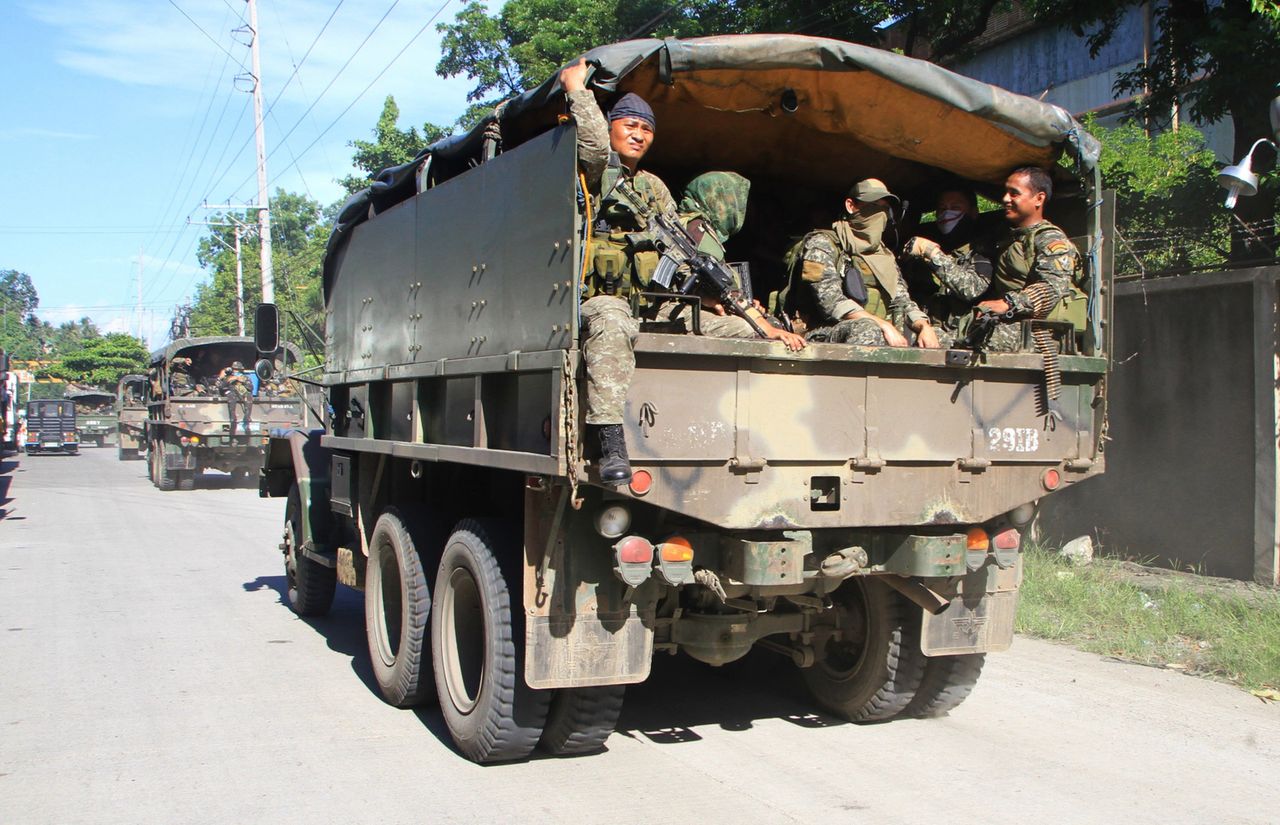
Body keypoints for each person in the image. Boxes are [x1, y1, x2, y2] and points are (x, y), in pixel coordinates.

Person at [560, 57, 676, 484]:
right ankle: (610, 441)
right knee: (611, 319)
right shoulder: (594, 174)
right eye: (629, 125)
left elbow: (677, 245)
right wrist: (578, 91)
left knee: (730, 331)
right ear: (611, 127)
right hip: (595, 303)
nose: (638, 134)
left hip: (650, 305)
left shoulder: (653, 189)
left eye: (646, 129)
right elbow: (590, 144)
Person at [651, 171, 805, 350]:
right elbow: (726, 291)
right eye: (732, 202)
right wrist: (766, 328)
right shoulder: (697, 230)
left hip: (678, 309)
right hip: (669, 311)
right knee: (752, 331)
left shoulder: (694, 228)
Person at [788, 179, 940, 348]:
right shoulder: (823, 243)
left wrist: (924, 326)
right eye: (873, 206)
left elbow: (902, 301)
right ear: (851, 206)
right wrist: (883, 325)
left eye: (885, 209)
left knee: (938, 336)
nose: (880, 214)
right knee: (867, 329)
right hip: (825, 330)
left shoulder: (884, 254)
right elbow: (831, 304)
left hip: (881, 327)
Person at [977, 166, 1088, 351]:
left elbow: (1052, 287)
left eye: (1014, 193)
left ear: (1039, 198)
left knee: (965, 339)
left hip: (1042, 334)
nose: (1005, 199)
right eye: (1006, 192)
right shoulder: (1010, 239)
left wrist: (1008, 303)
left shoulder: (1050, 239)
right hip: (1014, 326)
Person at [901, 186, 994, 345]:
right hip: (921, 329)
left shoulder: (981, 250)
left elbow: (973, 289)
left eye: (955, 208)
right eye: (942, 208)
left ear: (973, 212)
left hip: (960, 336)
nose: (947, 213)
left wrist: (932, 254)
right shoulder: (922, 245)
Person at [217, 362, 253, 438]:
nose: (236, 371)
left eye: (237, 370)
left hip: (242, 392)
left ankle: (247, 417)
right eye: (234, 370)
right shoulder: (229, 377)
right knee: (231, 397)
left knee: (249, 396)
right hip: (232, 392)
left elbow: (250, 388)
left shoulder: (245, 377)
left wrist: (243, 381)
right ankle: (233, 418)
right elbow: (221, 386)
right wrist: (229, 379)